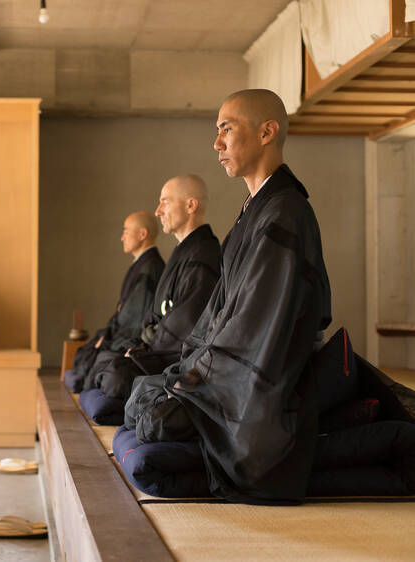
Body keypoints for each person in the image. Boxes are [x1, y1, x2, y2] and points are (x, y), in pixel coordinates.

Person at [124, 89, 331, 505]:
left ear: (267, 132)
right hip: (228, 371)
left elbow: (255, 328)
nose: (217, 143)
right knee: (141, 397)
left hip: (261, 386)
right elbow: (213, 317)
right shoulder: (253, 211)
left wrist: (196, 383)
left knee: (151, 420)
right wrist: (185, 373)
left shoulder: (285, 212)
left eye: (226, 129)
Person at [82, 174, 220, 401]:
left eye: (165, 201)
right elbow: (154, 314)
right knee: (102, 363)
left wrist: (142, 352)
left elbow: (184, 325)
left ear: (190, 205)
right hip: (155, 348)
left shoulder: (204, 254)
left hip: (174, 357)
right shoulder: (183, 251)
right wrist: (138, 346)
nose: (158, 211)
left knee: (115, 372)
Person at [64, 212, 164, 392]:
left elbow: (132, 319)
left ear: (143, 234)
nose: (122, 237)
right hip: (119, 331)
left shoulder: (150, 268)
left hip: (129, 338)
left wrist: (107, 338)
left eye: (126, 231)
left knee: (96, 359)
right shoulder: (141, 265)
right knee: (86, 355)